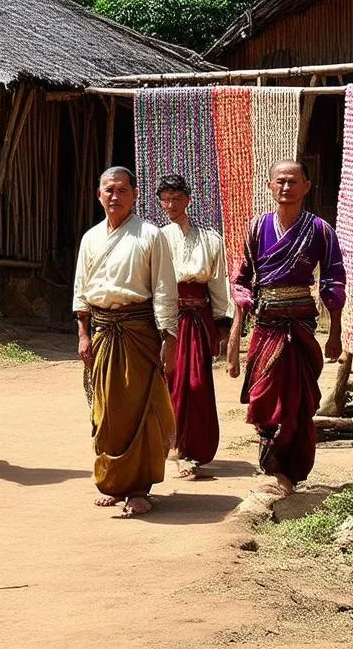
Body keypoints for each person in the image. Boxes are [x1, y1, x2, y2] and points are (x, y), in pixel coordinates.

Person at [228, 160, 345, 495]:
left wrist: (335, 332)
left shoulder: (321, 230)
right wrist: (235, 342)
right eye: (279, 181)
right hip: (265, 326)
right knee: (264, 398)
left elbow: (334, 281)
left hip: (301, 327)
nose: (286, 188)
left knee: (298, 402)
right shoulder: (256, 228)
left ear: (306, 186)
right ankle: (274, 466)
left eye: (293, 182)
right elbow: (241, 283)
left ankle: (291, 471)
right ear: (269, 186)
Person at [73, 166, 178, 516]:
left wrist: (168, 336)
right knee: (104, 411)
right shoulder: (90, 238)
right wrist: (83, 333)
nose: (114, 196)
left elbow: (164, 288)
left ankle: (137, 488)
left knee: (138, 410)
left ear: (134, 194)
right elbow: (81, 291)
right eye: (108, 190)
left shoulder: (150, 235)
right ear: (98, 195)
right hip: (102, 332)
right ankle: (113, 482)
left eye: (121, 190)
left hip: (138, 332)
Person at [157, 174, 233, 479]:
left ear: (188, 200)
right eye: (166, 199)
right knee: (171, 381)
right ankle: (173, 449)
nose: (171, 205)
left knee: (198, 385)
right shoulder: (157, 238)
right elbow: (155, 286)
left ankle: (196, 450)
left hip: (199, 319)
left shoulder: (211, 239)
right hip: (170, 319)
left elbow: (218, 284)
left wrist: (222, 323)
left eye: (177, 198)